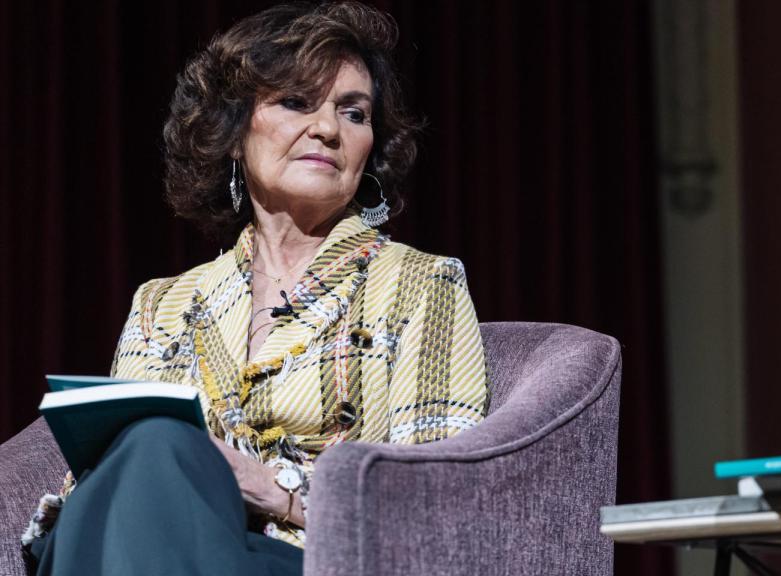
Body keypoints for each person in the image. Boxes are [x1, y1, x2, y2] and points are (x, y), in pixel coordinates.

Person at [21, 3, 490, 574]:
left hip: (307, 558)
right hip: (160, 544)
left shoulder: (420, 283)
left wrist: (268, 488)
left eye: (354, 113)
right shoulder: (161, 305)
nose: (328, 129)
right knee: (145, 450)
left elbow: (434, 502)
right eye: (296, 102)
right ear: (233, 131)